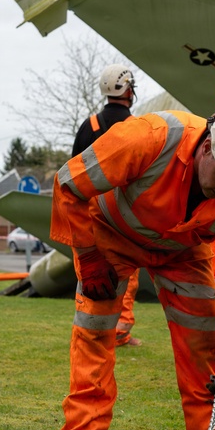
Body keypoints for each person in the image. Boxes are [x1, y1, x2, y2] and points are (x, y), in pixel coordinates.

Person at [51, 106, 215, 430]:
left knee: (205, 336)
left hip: (182, 250)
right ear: (207, 146)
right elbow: (69, 183)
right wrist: (89, 258)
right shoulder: (148, 137)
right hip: (111, 237)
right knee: (95, 329)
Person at [72, 64, 142, 347]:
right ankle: (120, 332)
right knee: (126, 274)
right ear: (128, 90)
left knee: (89, 275)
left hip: (90, 214)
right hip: (125, 215)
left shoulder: (89, 126)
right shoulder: (138, 127)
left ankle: (89, 332)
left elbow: (73, 171)